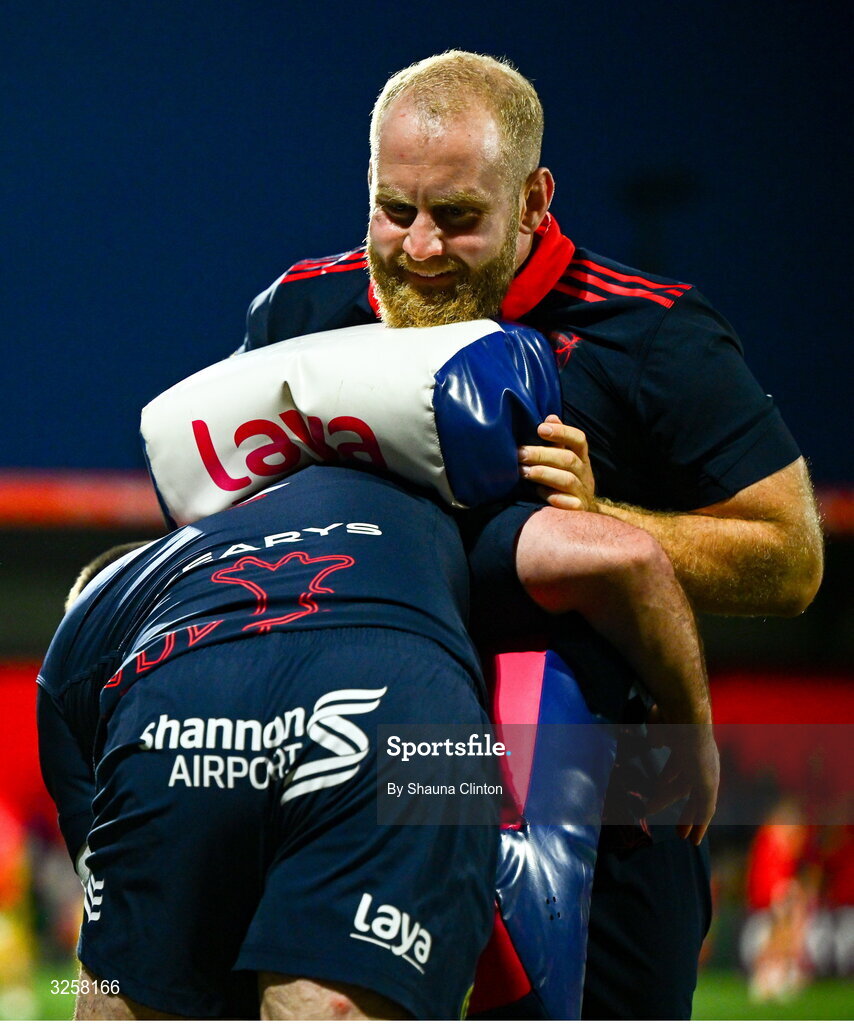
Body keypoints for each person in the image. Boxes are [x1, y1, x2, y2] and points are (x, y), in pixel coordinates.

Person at [240, 50, 823, 1018]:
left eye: (458, 217)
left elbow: (791, 558)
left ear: (532, 199)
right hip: (367, 754)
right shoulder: (302, 312)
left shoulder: (652, 336)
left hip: (606, 779)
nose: (419, 247)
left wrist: (609, 522)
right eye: (394, 209)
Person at [39, 459, 715, 1020]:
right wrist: (690, 734)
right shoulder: (424, 507)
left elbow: (121, 916)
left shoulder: (79, 646)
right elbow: (627, 556)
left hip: (175, 710)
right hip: (416, 714)